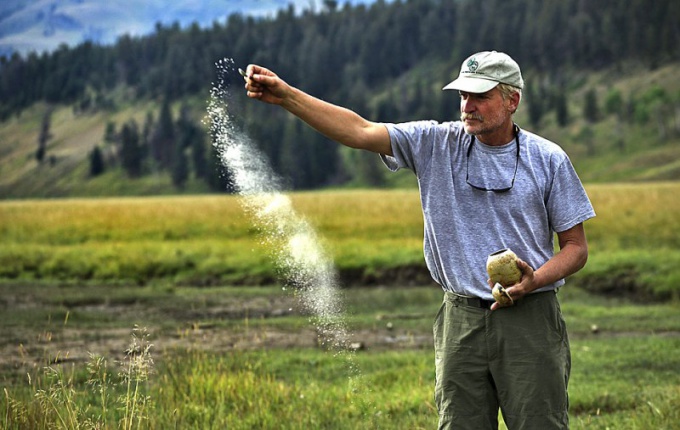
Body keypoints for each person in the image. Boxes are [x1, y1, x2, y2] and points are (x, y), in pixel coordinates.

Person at [242, 50, 595, 430]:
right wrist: (287, 96)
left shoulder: (548, 159)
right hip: (460, 320)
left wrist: (534, 281)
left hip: (531, 321)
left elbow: (576, 248)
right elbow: (360, 131)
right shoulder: (434, 143)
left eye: (480, 96)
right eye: (462, 95)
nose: (468, 106)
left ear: (512, 100)